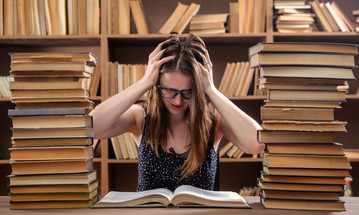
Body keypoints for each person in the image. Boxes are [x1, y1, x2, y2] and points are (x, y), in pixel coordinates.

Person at [90, 34, 265, 192]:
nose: (178, 101)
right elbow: (92, 127)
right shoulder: (140, 117)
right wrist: (144, 82)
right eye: (170, 91)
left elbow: (257, 143)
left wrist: (211, 90)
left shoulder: (214, 120)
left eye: (187, 92)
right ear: (157, 86)